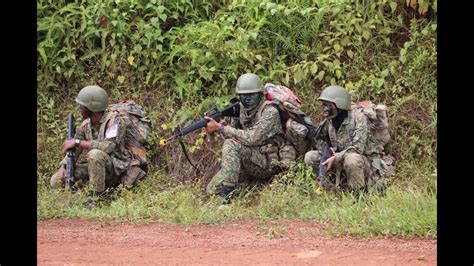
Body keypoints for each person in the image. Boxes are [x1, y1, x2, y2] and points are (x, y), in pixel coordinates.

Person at [204, 73, 298, 202]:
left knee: (231, 145)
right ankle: (255, 186)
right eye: (244, 96)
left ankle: (225, 199)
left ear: (260, 94)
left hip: (268, 161)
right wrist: (221, 128)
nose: (247, 99)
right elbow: (233, 139)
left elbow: (252, 138)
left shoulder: (270, 111)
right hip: (249, 158)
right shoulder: (240, 110)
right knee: (212, 189)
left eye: (251, 95)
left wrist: (222, 129)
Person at [50, 85, 147, 195]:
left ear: (93, 108)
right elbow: (74, 151)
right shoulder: (85, 126)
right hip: (96, 167)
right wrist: (64, 166)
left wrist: (78, 142)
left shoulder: (114, 121)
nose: (80, 109)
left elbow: (109, 147)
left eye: (83, 107)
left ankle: (96, 197)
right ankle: (77, 193)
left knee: (95, 154)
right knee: (55, 180)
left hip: (116, 169)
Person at [304, 85, 393, 195]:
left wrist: (335, 157)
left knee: (352, 159)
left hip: (364, 162)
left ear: (339, 105)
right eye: (324, 105)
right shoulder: (330, 121)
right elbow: (321, 140)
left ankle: (358, 195)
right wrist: (327, 153)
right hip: (340, 160)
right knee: (310, 157)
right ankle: (327, 189)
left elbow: (357, 149)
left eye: (328, 105)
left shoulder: (359, 117)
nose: (325, 108)